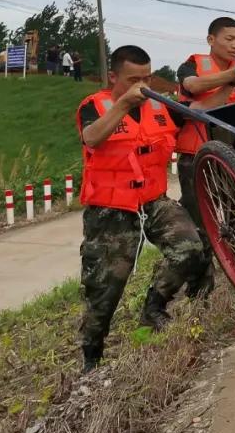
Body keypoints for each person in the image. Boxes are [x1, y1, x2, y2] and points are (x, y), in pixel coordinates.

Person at [75, 45, 220, 373]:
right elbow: (92, 138)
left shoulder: (160, 105)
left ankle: (154, 307)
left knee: (191, 248)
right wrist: (124, 104)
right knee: (105, 289)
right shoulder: (95, 106)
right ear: (113, 77)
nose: (141, 85)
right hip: (110, 210)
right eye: (132, 79)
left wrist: (232, 82)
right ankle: (92, 358)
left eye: (146, 77)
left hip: (153, 201)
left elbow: (201, 109)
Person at [175, 17, 235, 294]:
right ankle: (200, 291)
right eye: (229, 39)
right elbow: (193, 88)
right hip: (195, 157)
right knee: (200, 226)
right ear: (211, 40)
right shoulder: (192, 64)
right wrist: (233, 77)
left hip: (233, 159)